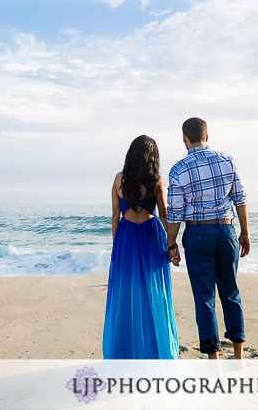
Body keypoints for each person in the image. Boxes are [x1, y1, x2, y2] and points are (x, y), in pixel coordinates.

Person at [165, 118, 250, 359]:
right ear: (207, 136)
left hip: (198, 234)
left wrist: (171, 244)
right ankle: (239, 354)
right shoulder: (228, 160)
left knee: (204, 297)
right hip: (226, 230)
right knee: (231, 292)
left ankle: (213, 360)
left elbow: (175, 213)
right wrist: (244, 232)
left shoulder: (178, 169)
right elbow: (240, 199)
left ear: (184, 137)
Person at [102, 135, 180, 359]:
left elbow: (115, 215)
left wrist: (116, 246)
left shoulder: (119, 179)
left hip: (126, 236)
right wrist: (172, 244)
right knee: (154, 291)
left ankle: (125, 350)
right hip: (150, 235)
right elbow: (164, 215)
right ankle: (156, 350)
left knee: (125, 293)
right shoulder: (156, 180)